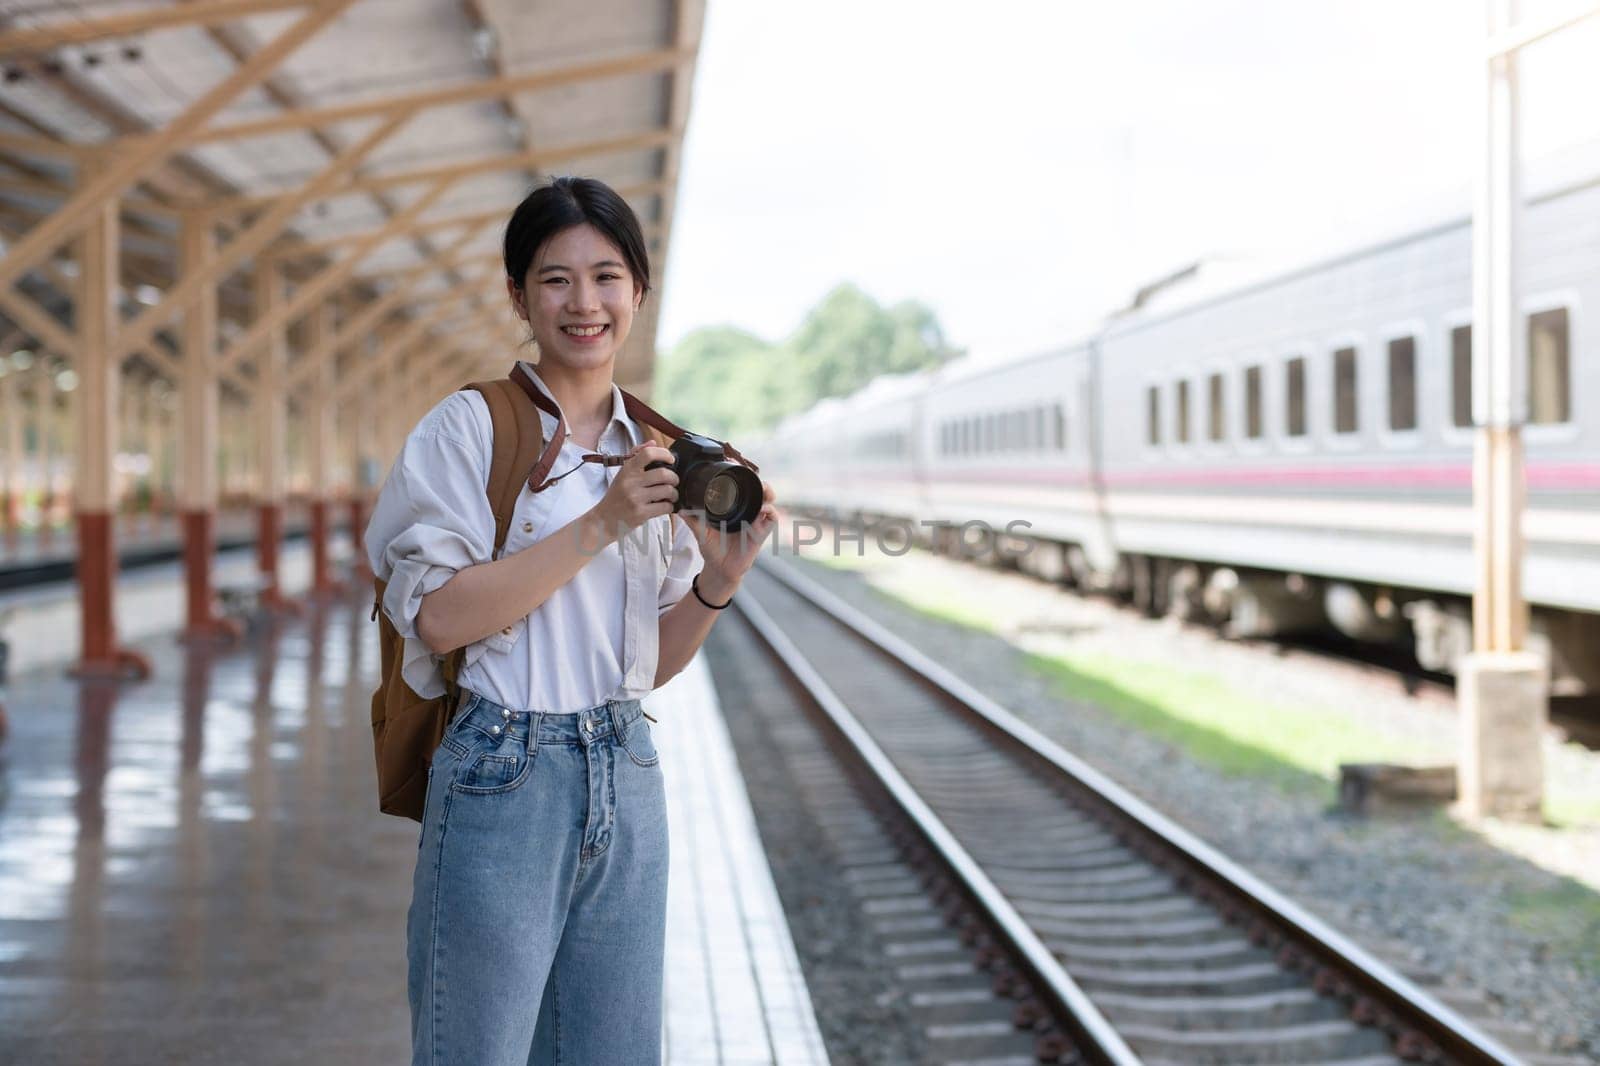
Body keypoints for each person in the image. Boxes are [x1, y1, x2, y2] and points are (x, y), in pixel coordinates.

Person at [365, 175, 778, 1065]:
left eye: (605, 276)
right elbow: (438, 620)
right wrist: (601, 523)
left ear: (638, 292)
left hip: (627, 768)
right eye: (555, 279)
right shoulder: (470, 428)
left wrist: (718, 585)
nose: (583, 302)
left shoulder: (661, 450)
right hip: (500, 772)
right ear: (519, 295)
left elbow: (647, 664)